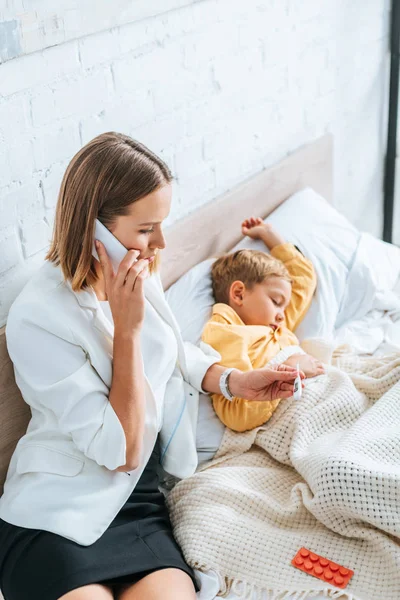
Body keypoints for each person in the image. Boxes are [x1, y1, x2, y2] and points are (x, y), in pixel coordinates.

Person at [0, 133, 301, 600]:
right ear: (94, 229)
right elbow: (118, 449)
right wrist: (127, 331)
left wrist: (232, 380)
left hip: (137, 502)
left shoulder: (138, 271)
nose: (160, 242)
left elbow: (172, 351)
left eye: (160, 225)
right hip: (57, 510)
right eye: (145, 229)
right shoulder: (38, 318)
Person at [202, 216, 323, 433]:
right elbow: (238, 415)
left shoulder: (277, 323)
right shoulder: (227, 331)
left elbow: (304, 279)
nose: (282, 315)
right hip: (293, 418)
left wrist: (269, 236)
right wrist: (292, 368)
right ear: (239, 294)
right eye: (276, 302)